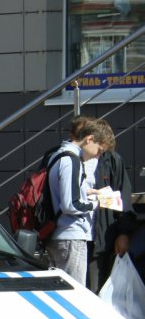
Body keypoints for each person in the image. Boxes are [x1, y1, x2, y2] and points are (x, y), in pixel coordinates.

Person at [46, 115, 114, 285]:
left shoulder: (57, 156)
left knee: (63, 292)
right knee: (73, 293)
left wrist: (89, 192)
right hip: (70, 236)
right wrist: (98, 202)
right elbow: (71, 204)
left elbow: (66, 192)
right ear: (89, 139)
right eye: (99, 150)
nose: (98, 156)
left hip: (59, 235)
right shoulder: (72, 160)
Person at [88, 145, 136, 291]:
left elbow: (124, 199)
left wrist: (123, 233)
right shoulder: (69, 158)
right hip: (77, 239)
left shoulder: (111, 160)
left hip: (102, 242)